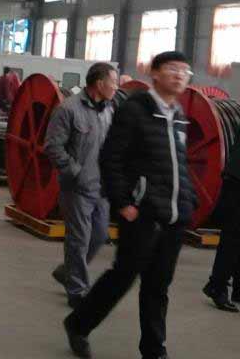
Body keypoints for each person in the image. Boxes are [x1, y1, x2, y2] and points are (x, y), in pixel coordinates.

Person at [64, 51, 198, 359]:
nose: (179, 75)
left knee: (158, 286)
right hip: (142, 213)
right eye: (172, 69)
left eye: (185, 71)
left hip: (173, 217)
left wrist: (188, 202)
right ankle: (78, 324)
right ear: (155, 73)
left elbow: (179, 164)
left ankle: (154, 350)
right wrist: (123, 203)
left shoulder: (179, 115)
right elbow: (111, 158)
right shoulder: (136, 110)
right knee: (123, 276)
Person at [46, 63, 119, 309]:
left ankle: (67, 272)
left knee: (98, 236)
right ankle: (77, 290)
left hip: (101, 188)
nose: (116, 87)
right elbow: (53, 146)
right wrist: (75, 172)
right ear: (99, 83)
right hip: (77, 188)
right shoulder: (68, 109)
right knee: (79, 239)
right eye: (113, 82)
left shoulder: (109, 110)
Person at [203, 130, 240, 312]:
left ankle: (235, 289)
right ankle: (216, 286)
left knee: (235, 237)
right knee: (232, 237)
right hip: (237, 181)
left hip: (235, 177)